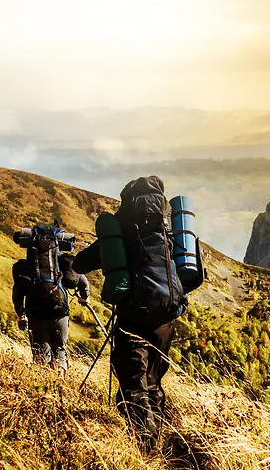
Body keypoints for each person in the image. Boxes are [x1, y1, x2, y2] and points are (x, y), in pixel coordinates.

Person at [74, 176, 202, 451]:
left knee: (132, 384)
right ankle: (157, 439)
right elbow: (192, 273)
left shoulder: (122, 229)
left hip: (133, 316)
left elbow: (82, 263)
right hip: (167, 317)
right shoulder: (169, 229)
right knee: (154, 382)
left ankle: (145, 449)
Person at [12, 224, 90, 374]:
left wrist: (20, 312)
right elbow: (82, 281)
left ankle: (43, 387)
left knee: (41, 355)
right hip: (59, 311)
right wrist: (84, 298)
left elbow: (18, 291)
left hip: (35, 312)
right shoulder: (63, 262)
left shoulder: (26, 265)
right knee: (60, 350)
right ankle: (60, 384)